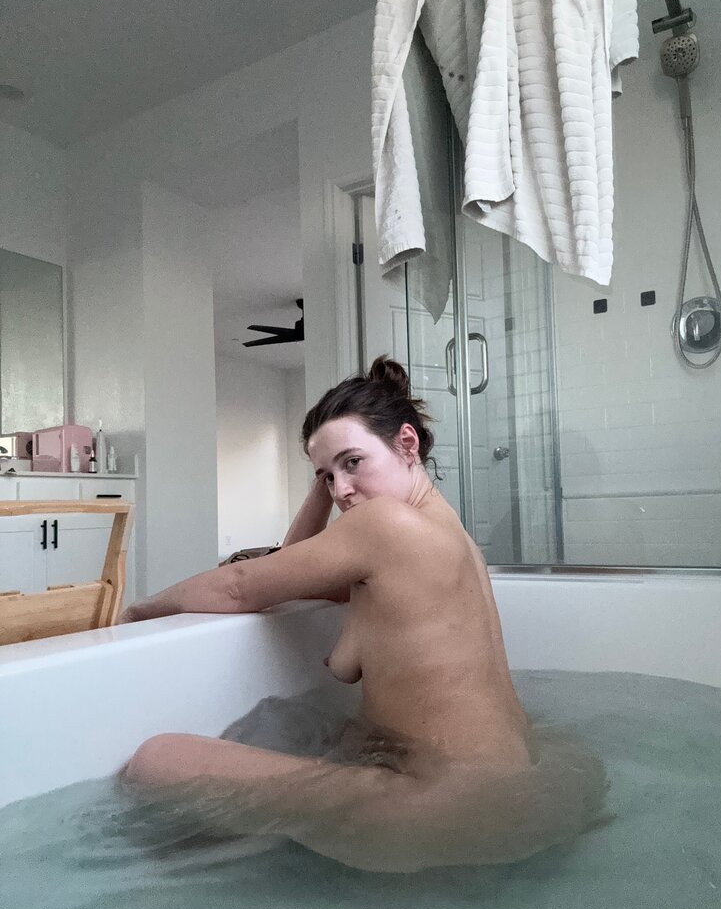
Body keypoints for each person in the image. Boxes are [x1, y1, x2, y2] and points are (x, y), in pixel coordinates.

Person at [118, 357, 610, 872]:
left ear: (407, 443)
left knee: (154, 760)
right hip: (530, 794)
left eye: (353, 462)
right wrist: (334, 470)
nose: (341, 491)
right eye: (326, 479)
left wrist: (138, 609)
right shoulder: (452, 539)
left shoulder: (384, 524)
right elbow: (293, 569)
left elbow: (242, 586)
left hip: (441, 810)